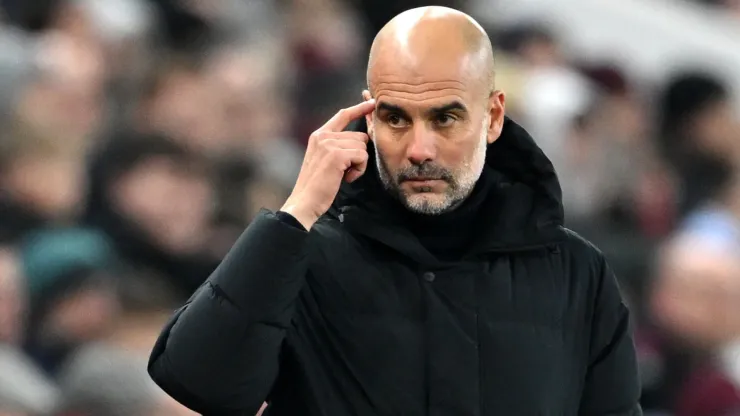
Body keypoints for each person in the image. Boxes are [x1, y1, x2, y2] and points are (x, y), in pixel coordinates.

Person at [148, 6, 642, 415]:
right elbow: (200, 382)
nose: (419, 148)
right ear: (367, 115)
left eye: (445, 117)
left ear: (492, 116)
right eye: (395, 118)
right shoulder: (303, 254)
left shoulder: (578, 274)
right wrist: (296, 212)